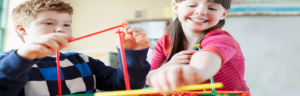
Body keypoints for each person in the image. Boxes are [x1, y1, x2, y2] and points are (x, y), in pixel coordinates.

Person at [0, 0, 150, 96]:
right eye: (49, 23)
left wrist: (132, 55)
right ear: (22, 29)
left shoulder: (83, 60)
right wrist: (24, 56)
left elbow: (125, 87)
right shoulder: (7, 61)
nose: (60, 29)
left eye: (66, 24)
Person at [146, 0, 250, 95]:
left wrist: (196, 71)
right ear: (176, 7)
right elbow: (148, 78)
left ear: (223, 14)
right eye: (192, 5)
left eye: (212, 8)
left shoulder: (223, 39)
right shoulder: (165, 41)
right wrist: (167, 66)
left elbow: (206, 61)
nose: (200, 12)